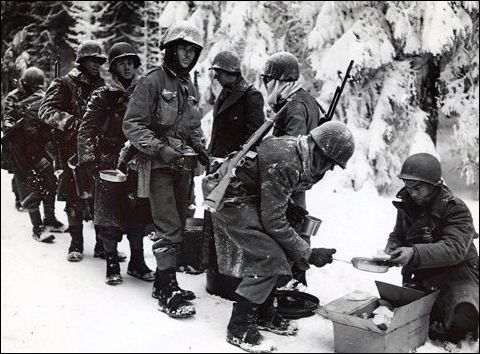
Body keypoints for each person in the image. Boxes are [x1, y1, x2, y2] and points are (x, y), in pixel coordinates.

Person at [209, 121, 355, 352]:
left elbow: (288, 203)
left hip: (251, 195)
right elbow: (274, 221)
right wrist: (307, 253)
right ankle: (239, 325)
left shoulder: (301, 154)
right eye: (329, 163)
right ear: (319, 150)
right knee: (268, 256)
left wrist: (301, 239)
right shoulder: (287, 161)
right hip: (230, 197)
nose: (329, 170)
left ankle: (264, 311)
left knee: (285, 252)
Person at [123, 21, 209, 318]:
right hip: (158, 164)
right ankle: (169, 289)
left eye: (192, 50)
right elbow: (132, 125)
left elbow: (193, 124)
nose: (187, 55)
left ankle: (162, 282)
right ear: (170, 49)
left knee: (180, 223)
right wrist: (160, 148)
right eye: (182, 49)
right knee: (167, 226)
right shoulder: (152, 81)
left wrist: (201, 149)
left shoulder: (188, 84)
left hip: (184, 164)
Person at [77, 42, 155, 285]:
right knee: (109, 214)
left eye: (131, 62)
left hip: (137, 160)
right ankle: (111, 262)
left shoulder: (144, 92)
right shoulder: (102, 95)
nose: (128, 67)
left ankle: (137, 262)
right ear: (113, 67)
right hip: (109, 161)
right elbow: (86, 129)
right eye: (122, 63)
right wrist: (89, 159)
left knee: (138, 213)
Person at [385, 153, 479, 343]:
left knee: (463, 315)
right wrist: (393, 244)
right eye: (408, 186)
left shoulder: (455, 208)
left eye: (418, 187)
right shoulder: (409, 205)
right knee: (400, 315)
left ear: (434, 185)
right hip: (423, 277)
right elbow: (399, 234)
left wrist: (413, 253)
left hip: (458, 275)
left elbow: (454, 249)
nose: (412, 193)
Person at [39, 40, 114, 262]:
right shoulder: (64, 84)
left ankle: (102, 245)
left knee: (99, 197)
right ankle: (76, 243)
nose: (96, 65)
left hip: (98, 149)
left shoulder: (102, 85)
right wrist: (71, 122)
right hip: (70, 149)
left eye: (99, 61)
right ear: (82, 61)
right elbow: (45, 110)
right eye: (93, 60)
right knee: (74, 199)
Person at [261, 51, 323, 287]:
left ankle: (294, 273)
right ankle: (297, 270)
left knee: (290, 221)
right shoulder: (304, 98)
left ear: (278, 80)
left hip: (291, 176)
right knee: (297, 219)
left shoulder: (295, 105)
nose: (266, 84)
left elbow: (291, 146)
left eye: (268, 79)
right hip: (301, 174)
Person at [2, 67, 65, 241]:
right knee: (28, 184)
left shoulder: (41, 97)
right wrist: (26, 114)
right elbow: (7, 126)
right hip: (18, 149)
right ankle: (37, 227)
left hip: (38, 146)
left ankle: (50, 219)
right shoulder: (13, 98)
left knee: (49, 181)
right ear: (25, 84)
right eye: (33, 87)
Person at [208, 50, 265, 160]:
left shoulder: (251, 96)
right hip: (217, 162)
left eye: (218, 73)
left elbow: (253, 139)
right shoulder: (224, 94)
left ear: (230, 72)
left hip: (235, 166)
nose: (216, 77)